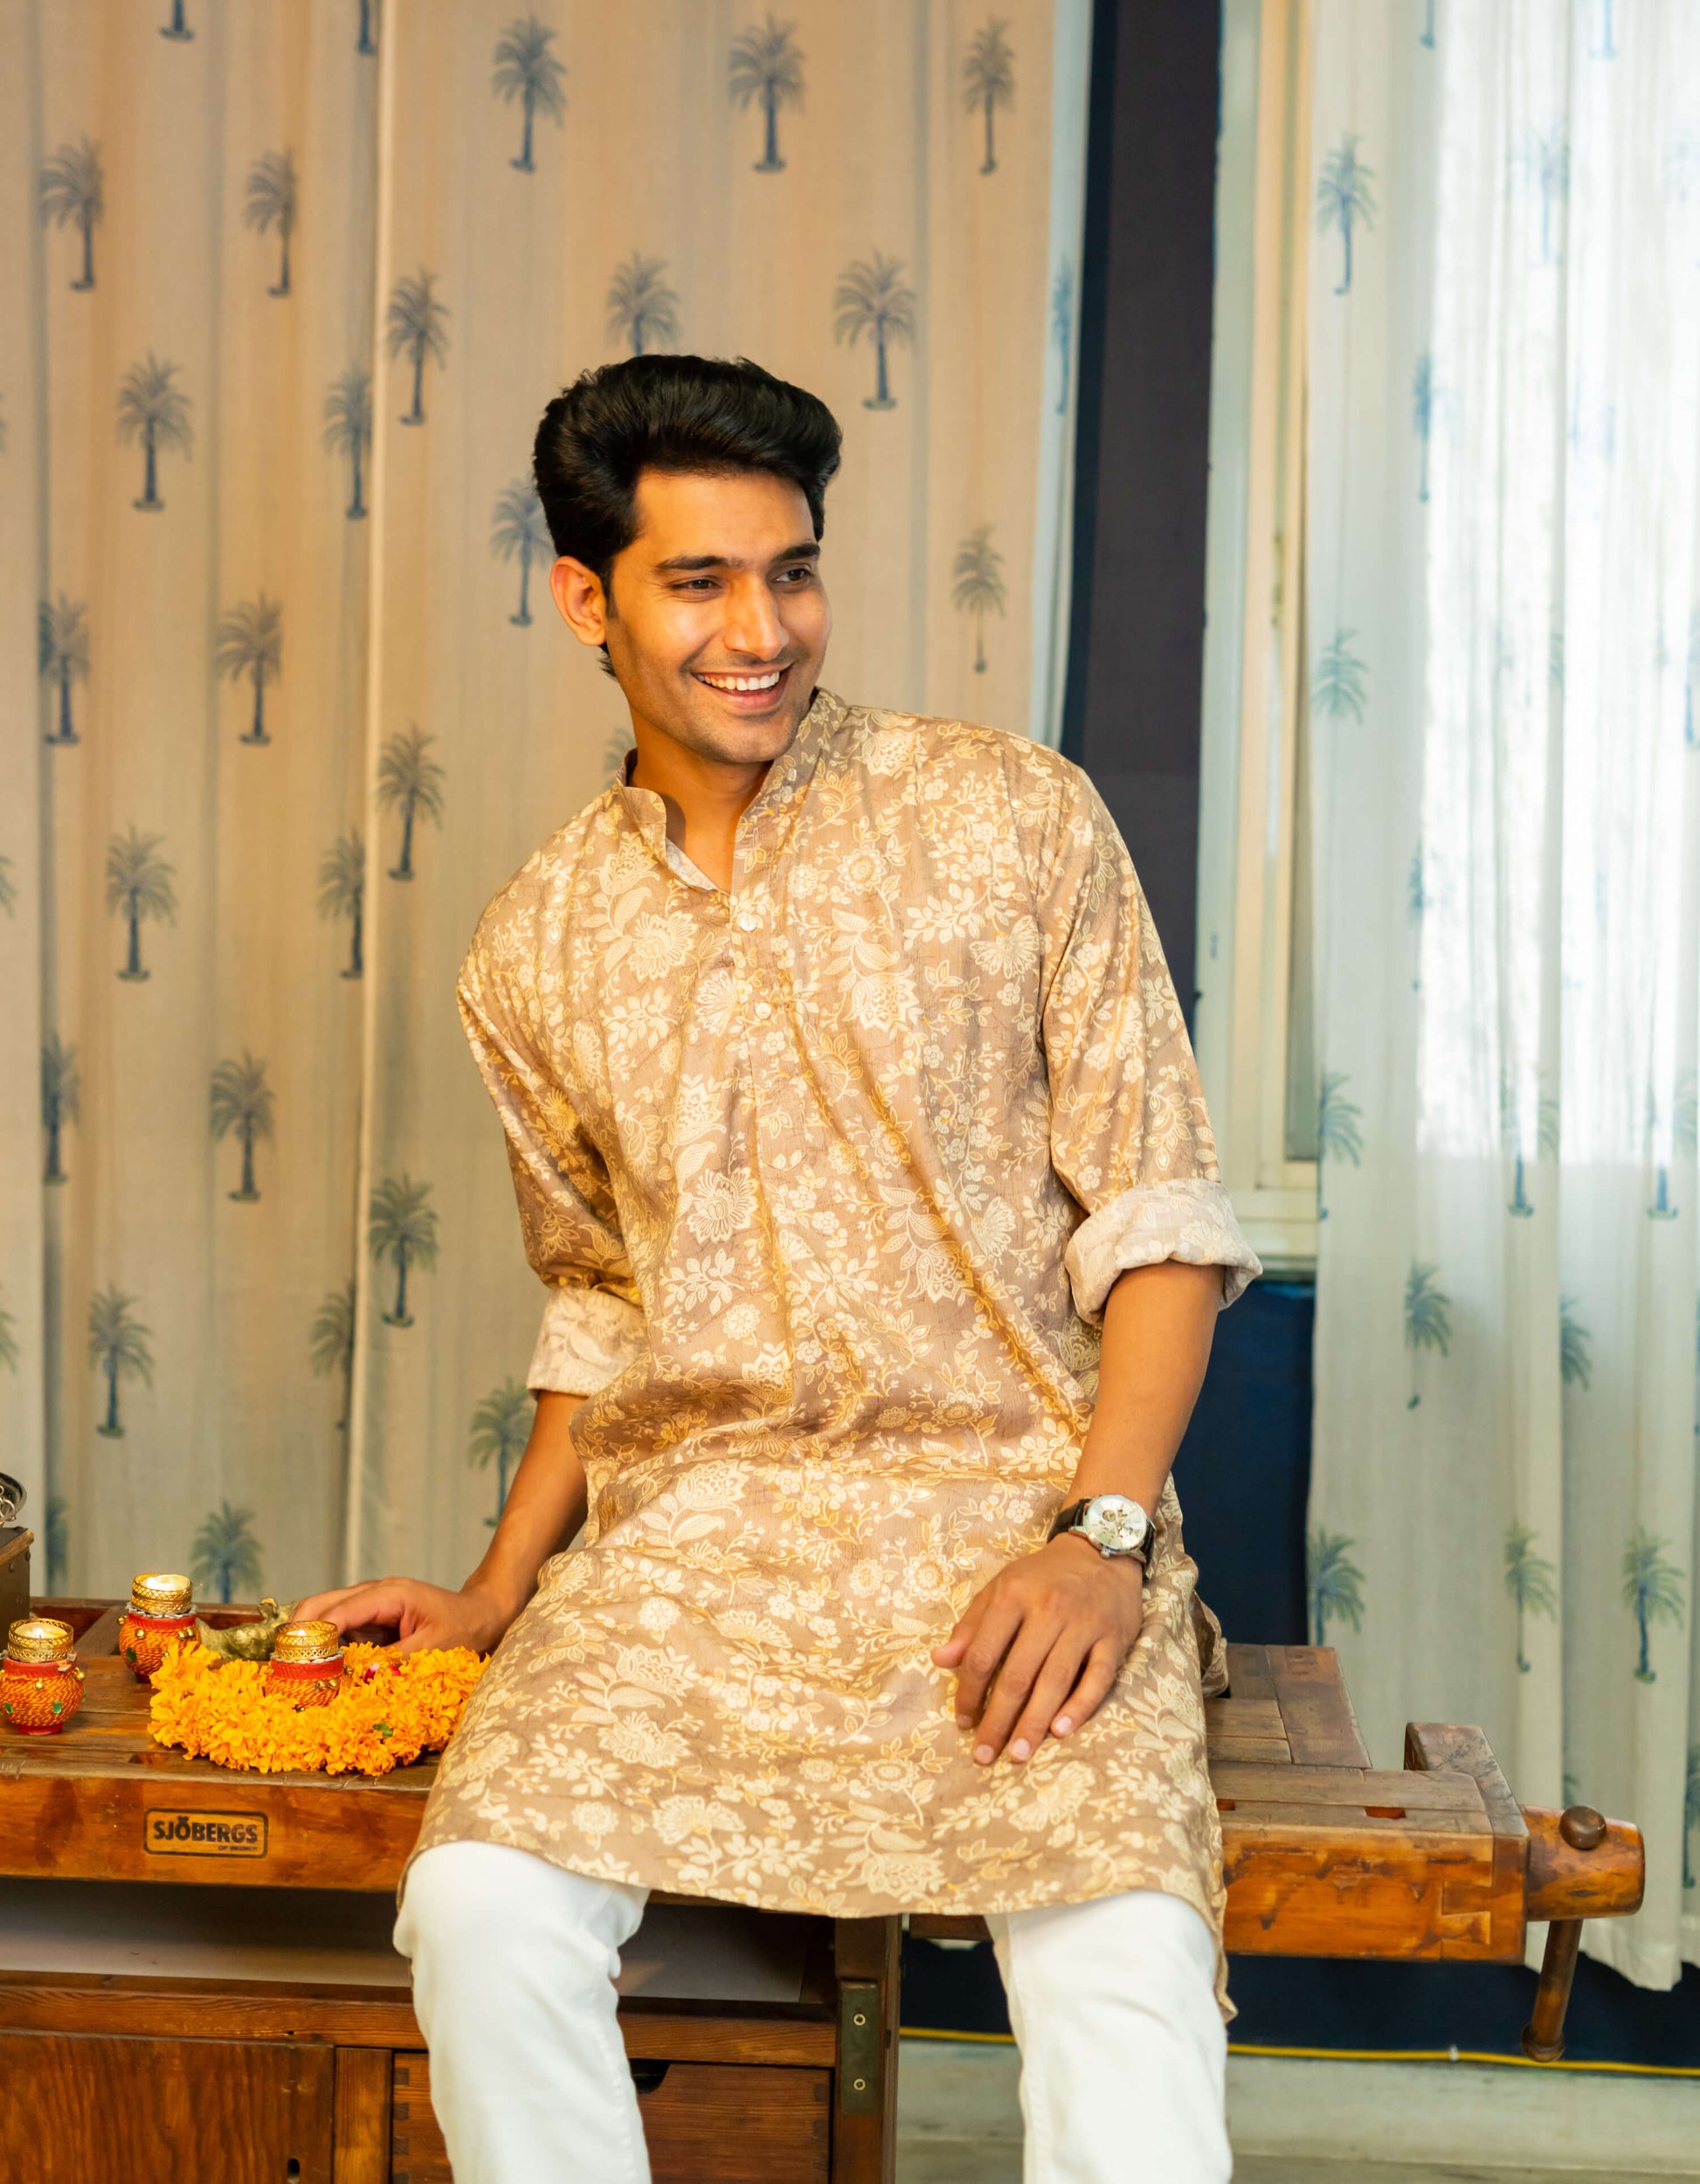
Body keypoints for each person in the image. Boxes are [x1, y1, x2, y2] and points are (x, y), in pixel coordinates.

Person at [297, 354, 1261, 2184]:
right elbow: (601, 1289)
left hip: (1017, 1523)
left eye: (792, 569)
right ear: (584, 595)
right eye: (699, 580)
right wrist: (507, 1579)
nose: (763, 627)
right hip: (694, 1554)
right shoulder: (536, 942)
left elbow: (1158, 1215)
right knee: (485, 1904)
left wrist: (1104, 1534)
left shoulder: (1010, 816)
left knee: (1121, 1954)